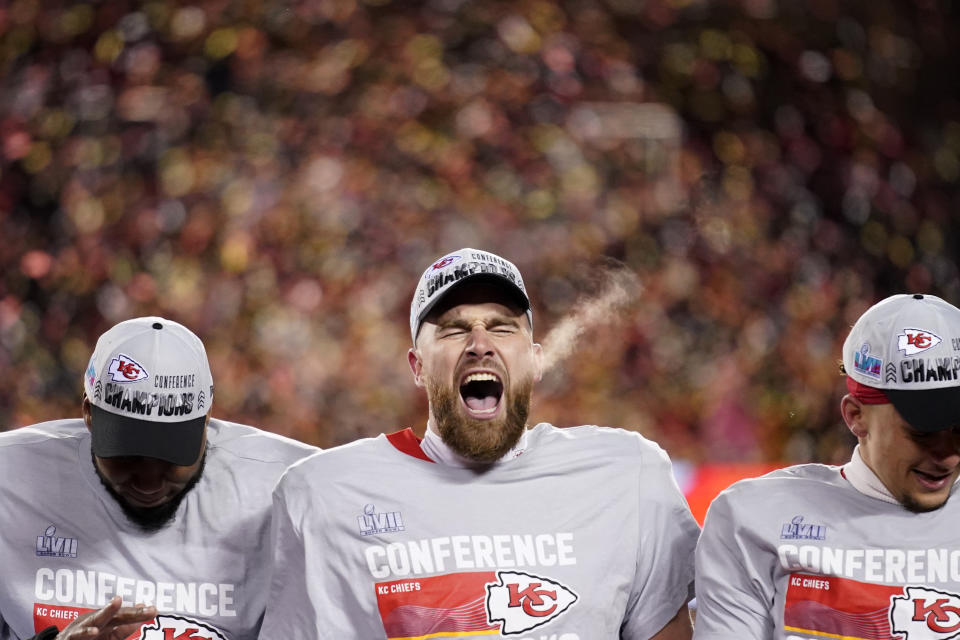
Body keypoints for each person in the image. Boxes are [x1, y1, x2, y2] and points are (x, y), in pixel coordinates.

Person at [260, 248, 700, 639]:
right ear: (417, 366)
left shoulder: (625, 476)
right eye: (453, 330)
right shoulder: (326, 494)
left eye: (502, 328)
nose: (479, 345)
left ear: (535, 359)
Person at [0, 317, 317, 640]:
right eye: (128, 456)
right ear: (89, 414)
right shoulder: (9, 478)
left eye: (170, 457)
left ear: (206, 419)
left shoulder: (291, 485)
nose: (148, 482)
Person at [693, 293, 960, 639]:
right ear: (855, 417)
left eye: (959, 430)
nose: (948, 454)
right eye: (923, 433)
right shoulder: (752, 520)